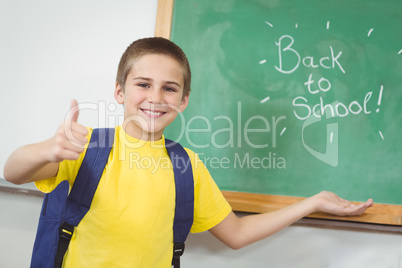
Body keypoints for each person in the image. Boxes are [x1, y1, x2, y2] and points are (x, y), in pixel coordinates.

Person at [4, 37, 373, 267]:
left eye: (169, 88)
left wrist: (313, 202)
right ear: (119, 91)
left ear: (183, 100)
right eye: (143, 84)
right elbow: (13, 171)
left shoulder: (187, 166)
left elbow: (237, 233)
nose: (155, 97)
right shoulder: (86, 147)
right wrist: (48, 150)